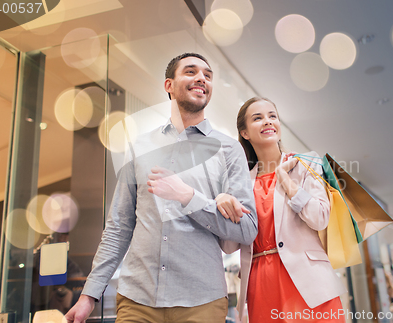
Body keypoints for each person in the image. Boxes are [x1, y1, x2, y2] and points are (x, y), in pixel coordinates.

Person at [65, 53, 258, 323]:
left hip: (201, 301)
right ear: (169, 85)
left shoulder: (229, 150)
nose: (201, 78)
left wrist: (188, 197)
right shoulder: (139, 147)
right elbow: (119, 227)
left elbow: (247, 229)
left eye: (207, 75)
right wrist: (88, 296)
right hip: (137, 301)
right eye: (191, 71)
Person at [219, 97, 347, 322]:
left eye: (272, 116)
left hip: (308, 281)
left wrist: (286, 181)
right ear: (245, 132)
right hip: (261, 282)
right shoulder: (239, 182)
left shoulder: (307, 164)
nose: (267, 122)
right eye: (258, 118)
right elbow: (229, 246)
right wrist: (224, 204)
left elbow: (320, 218)